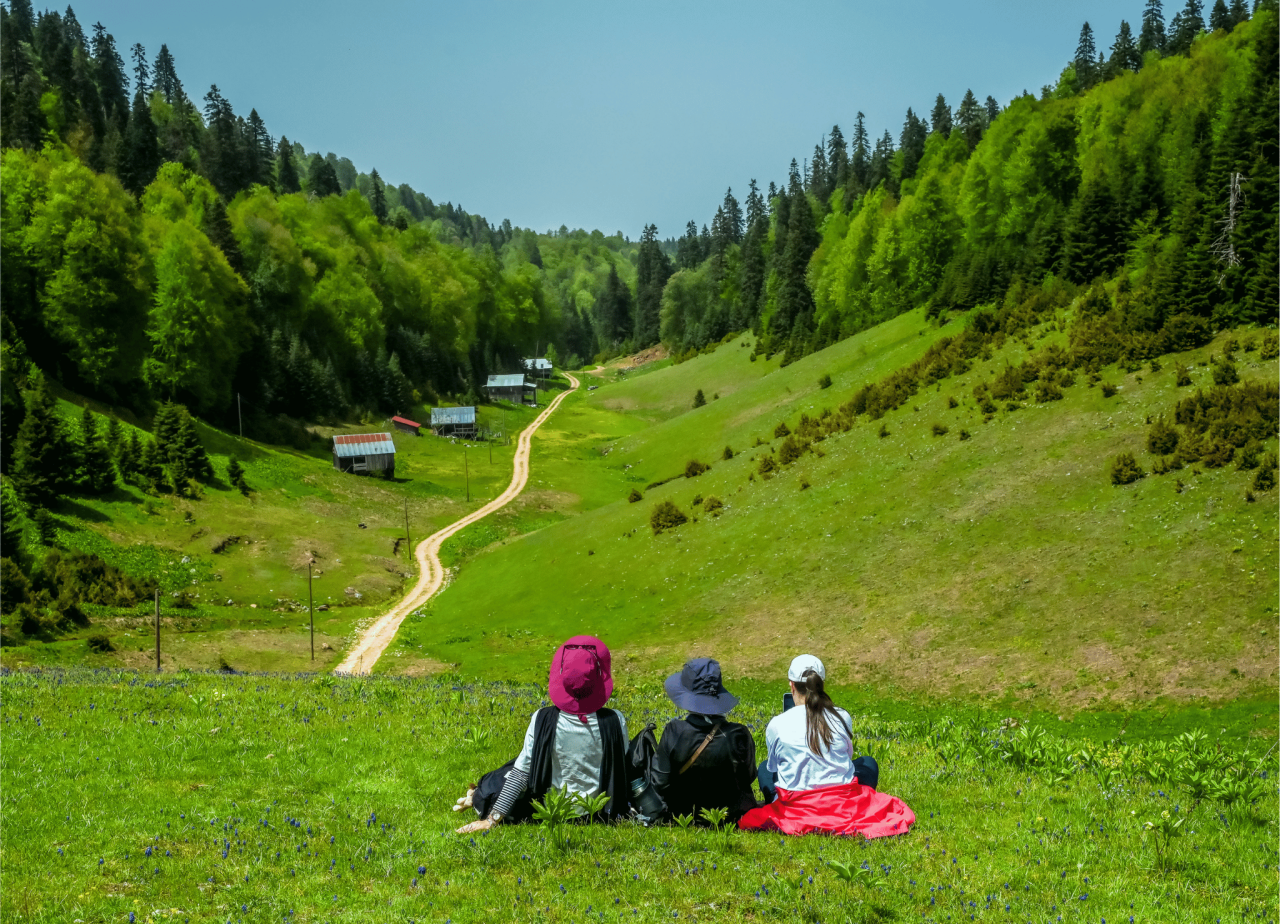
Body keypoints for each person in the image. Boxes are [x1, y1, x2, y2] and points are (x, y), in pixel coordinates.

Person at [455, 635, 629, 834]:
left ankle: (476, 795)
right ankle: (474, 795)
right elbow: (622, 762)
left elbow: (521, 773)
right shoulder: (615, 720)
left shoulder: (542, 718)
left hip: (552, 808)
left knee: (507, 770)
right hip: (597, 810)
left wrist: (492, 820)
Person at [738, 654, 914, 838]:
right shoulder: (840, 716)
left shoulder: (777, 724)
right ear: (821, 684)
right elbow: (848, 759)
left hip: (797, 807)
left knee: (765, 770)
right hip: (842, 803)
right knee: (868, 763)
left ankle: (778, 803)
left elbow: (775, 767)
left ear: (791, 685)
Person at [649, 658, 757, 823]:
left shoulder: (674, 731)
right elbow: (748, 776)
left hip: (685, 815)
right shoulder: (739, 734)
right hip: (731, 816)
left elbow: (659, 782)